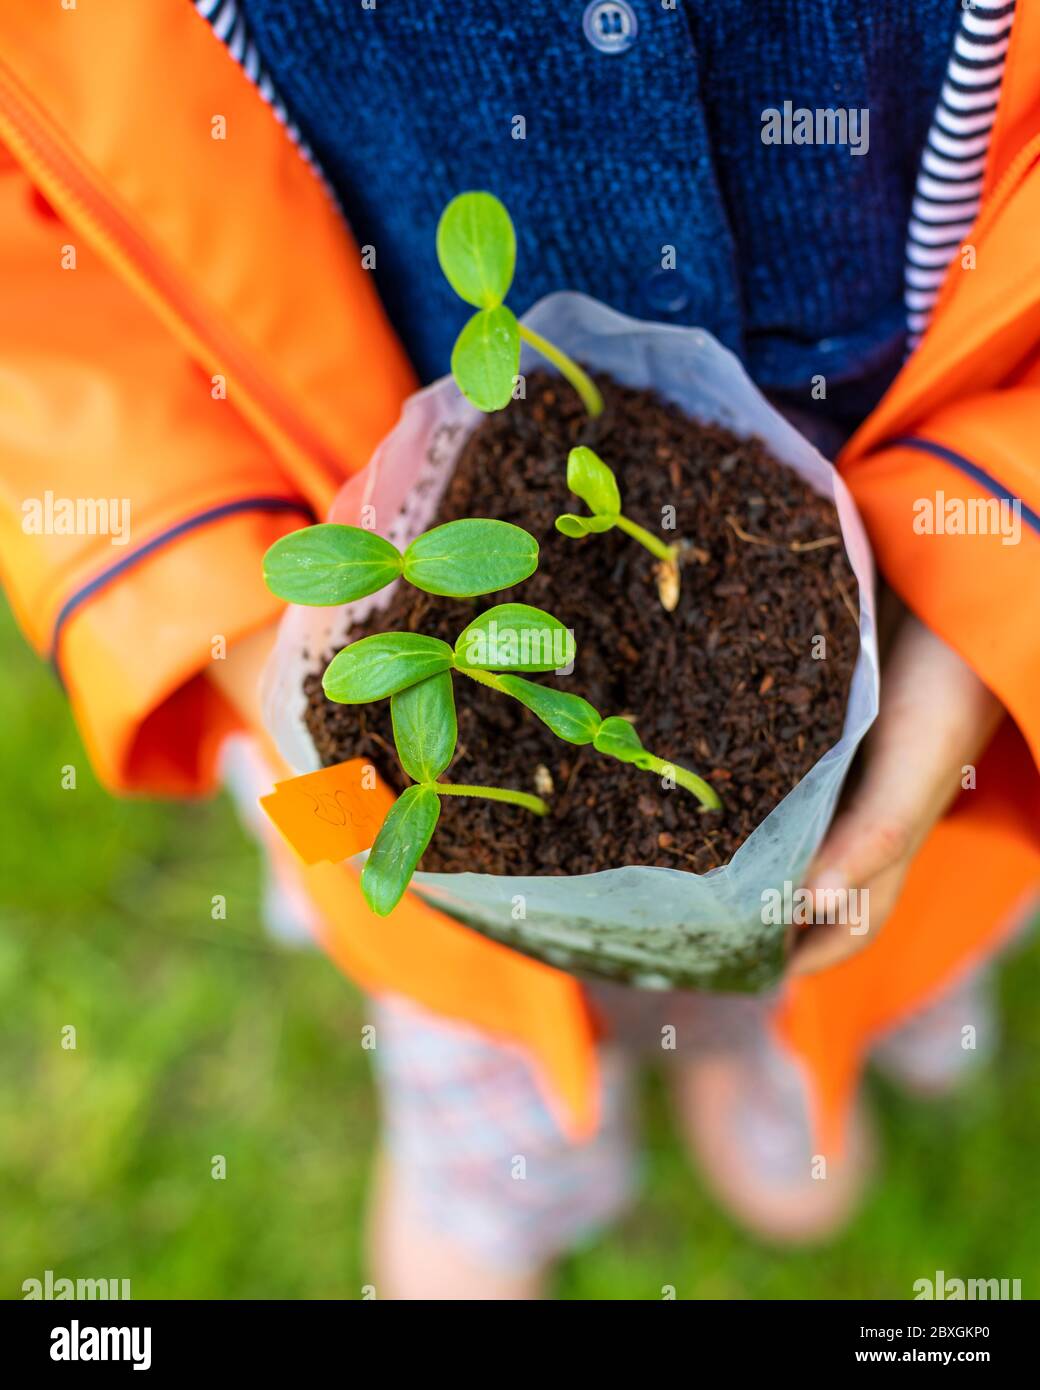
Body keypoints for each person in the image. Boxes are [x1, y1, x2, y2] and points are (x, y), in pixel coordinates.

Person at [1, 0, 1036, 1299]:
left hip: (921, 550)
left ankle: (774, 1053)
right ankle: (499, 1145)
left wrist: (1001, 571)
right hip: (308, 526)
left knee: (846, 913)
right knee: (430, 938)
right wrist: (247, 638)